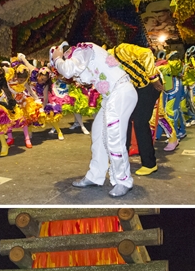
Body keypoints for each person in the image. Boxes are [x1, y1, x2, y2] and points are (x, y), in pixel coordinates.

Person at [51, 41, 138, 197]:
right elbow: (81, 77)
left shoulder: (83, 49)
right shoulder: (85, 54)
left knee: (114, 139)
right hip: (111, 96)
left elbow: (69, 70)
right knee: (98, 136)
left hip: (120, 93)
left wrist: (57, 59)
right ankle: (95, 176)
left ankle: (123, 180)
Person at [107, 43, 163, 176]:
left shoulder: (120, 50)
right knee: (124, 119)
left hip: (149, 86)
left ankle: (150, 164)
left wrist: (153, 78)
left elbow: (146, 53)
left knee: (140, 122)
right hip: (135, 89)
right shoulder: (107, 63)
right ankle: (121, 158)